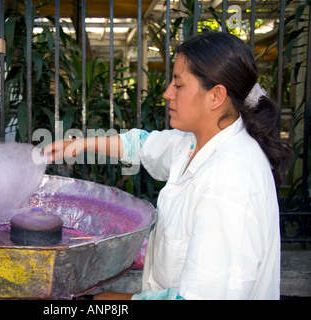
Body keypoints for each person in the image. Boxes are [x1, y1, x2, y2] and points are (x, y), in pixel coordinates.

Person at [43, 32, 294, 300]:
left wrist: (106, 300)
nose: (166, 94)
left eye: (178, 85)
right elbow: (140, 145)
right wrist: (81, 144)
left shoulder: (228, 183)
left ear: (215, 96)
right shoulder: (195, 142)